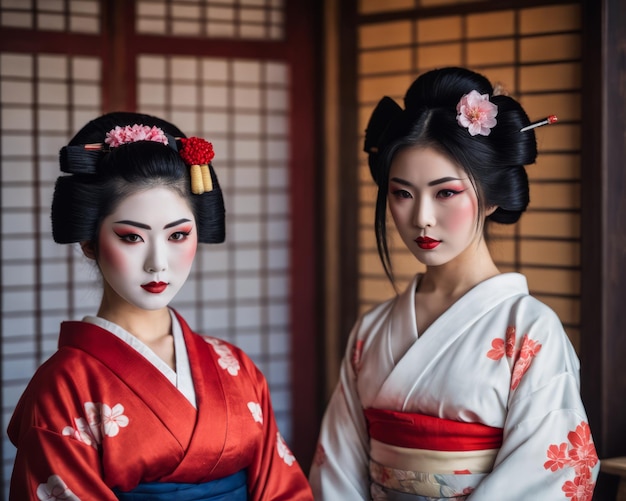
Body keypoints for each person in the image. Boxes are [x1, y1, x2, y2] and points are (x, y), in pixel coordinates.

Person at [309, 67, 599, 500]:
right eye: (402, 193)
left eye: (445, 192)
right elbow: (336, 470)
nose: (421, 216)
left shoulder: (530, 329)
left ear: (492, 196)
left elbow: (547, 476)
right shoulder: (371, 331)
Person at [8, 112, 313, 500]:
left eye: (178, 235)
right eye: (132, 237)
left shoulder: (235, 366)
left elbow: (283, 488)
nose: (158, 262)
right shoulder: (62, 386)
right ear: (88, 241)